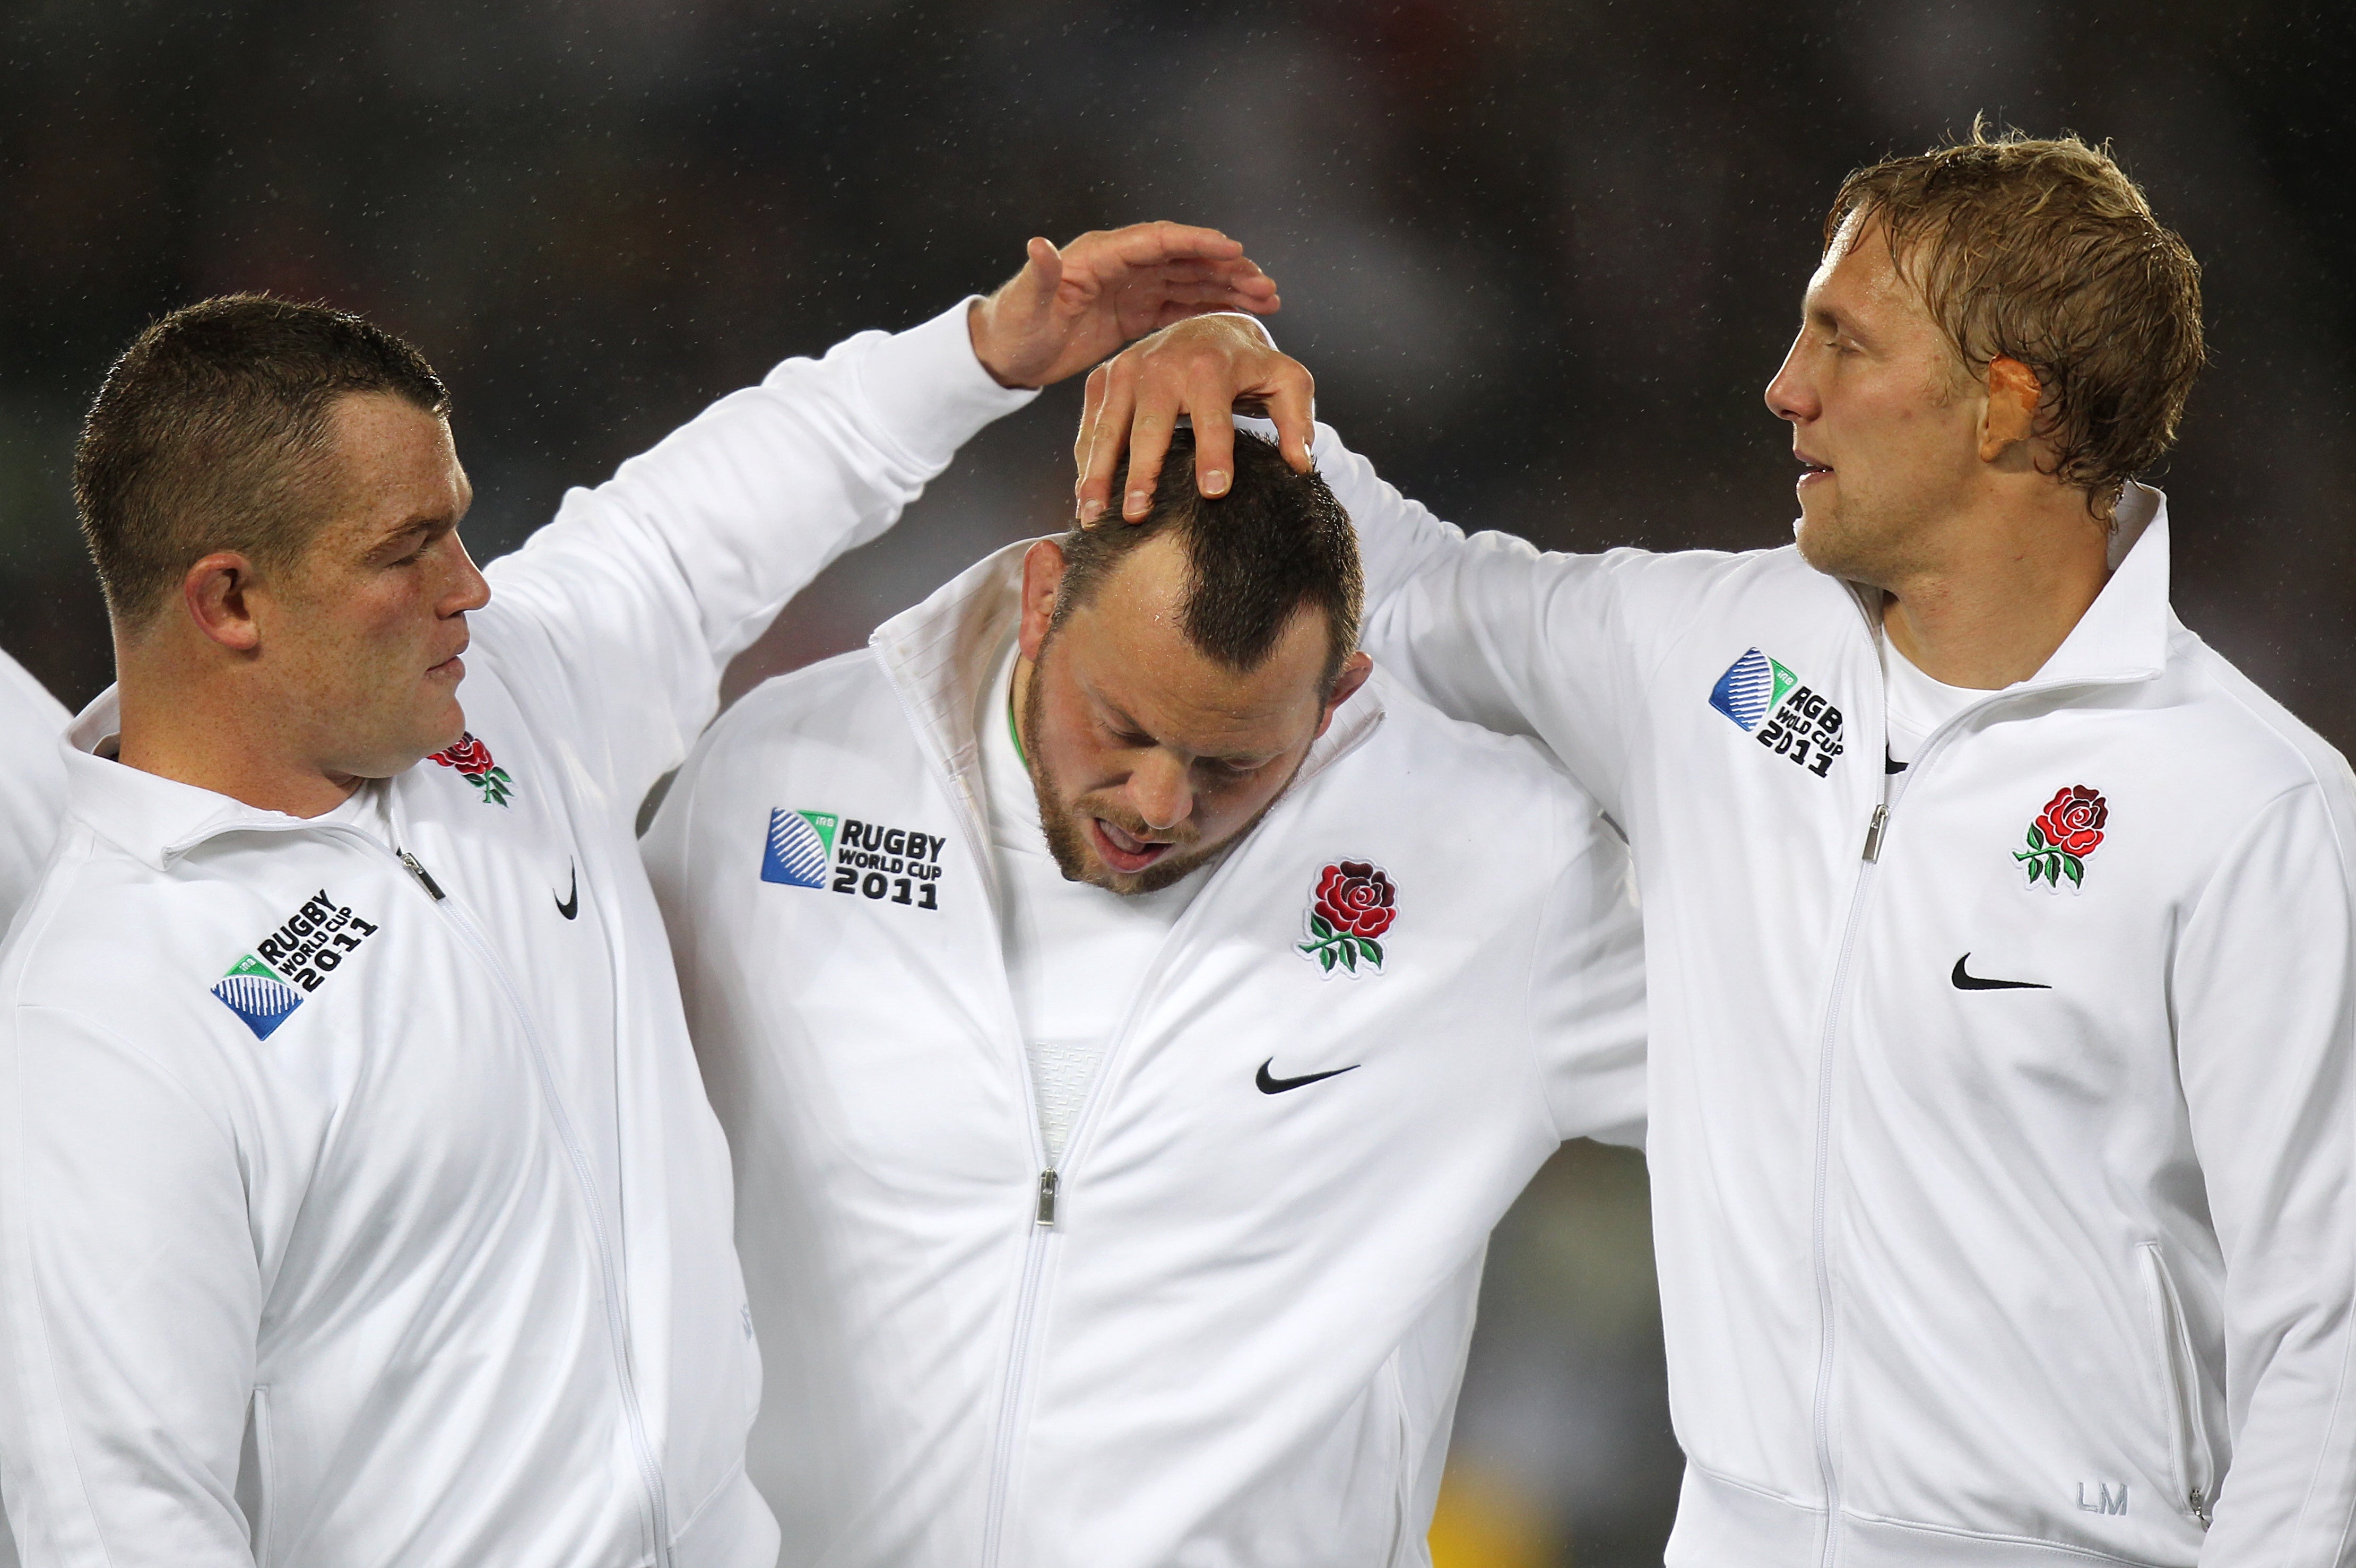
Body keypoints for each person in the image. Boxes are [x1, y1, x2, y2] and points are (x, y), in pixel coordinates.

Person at [1079, 129, 2356, 1565]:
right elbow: (1423, 588)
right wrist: (1227, 369)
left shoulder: (2251, 809)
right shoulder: (1714, 653)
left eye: (1843, 342)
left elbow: (2329, 1325)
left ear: (2006, 407)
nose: (1785, 387)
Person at [0, 222, 1279, 1568]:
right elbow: (116, 1518)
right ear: (230, 602)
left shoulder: (501, 701)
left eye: (461, 525)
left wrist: (981, 353)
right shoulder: (109, 1020)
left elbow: (690, 527)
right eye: (407, 550)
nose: (470, 586)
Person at [639, 426, 1646, 1567]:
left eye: (1235, 761)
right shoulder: (781, 774)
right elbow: (605, 1157)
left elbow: (1828, 1028)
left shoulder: (1496, 863)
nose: (1159, 801)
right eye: (1121, 726)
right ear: (1042, 599)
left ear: (1338, 698)